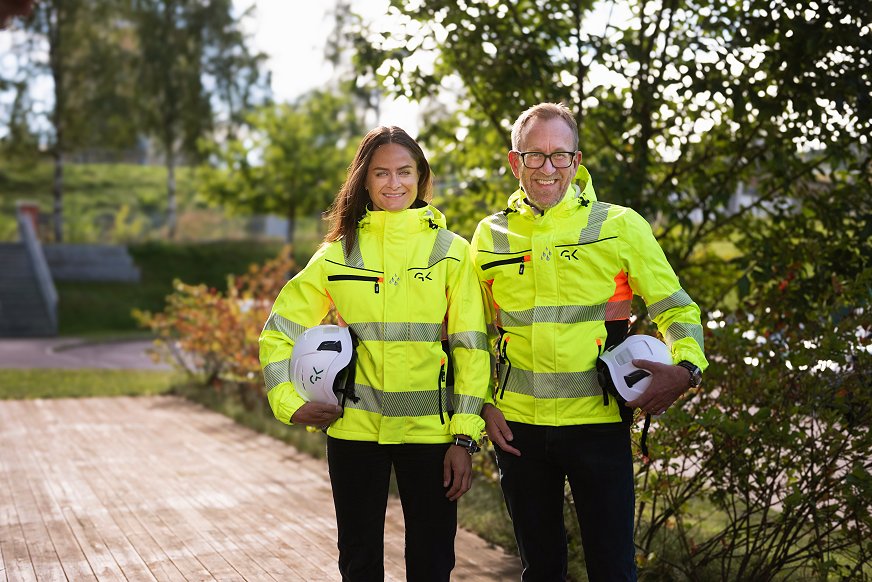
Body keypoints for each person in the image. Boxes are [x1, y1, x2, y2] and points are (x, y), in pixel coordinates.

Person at [470, 102, 708, 581]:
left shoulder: (618, 225)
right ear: (515, 163)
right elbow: (470, 336)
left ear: (576, 162)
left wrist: (687, 369)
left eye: (560, 155)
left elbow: (675, 308)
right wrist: (480, 407)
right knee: (541, 570)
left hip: (598, 426)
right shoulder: (489, 236)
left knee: (613, 570)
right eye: (534, 156)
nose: (548, 167)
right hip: (518, 431)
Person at [259, 126, 490, 582]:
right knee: (359, 561)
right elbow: (278, 330)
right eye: (381, 173)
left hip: (431, 436)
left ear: (421, 176)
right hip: (354, 432)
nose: (393, 183)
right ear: (364, 180)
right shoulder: (337, 254)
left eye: (405, 171)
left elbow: (472, 350)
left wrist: (464, 437)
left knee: (432, 564)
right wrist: (288, 401)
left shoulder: (452, 252)